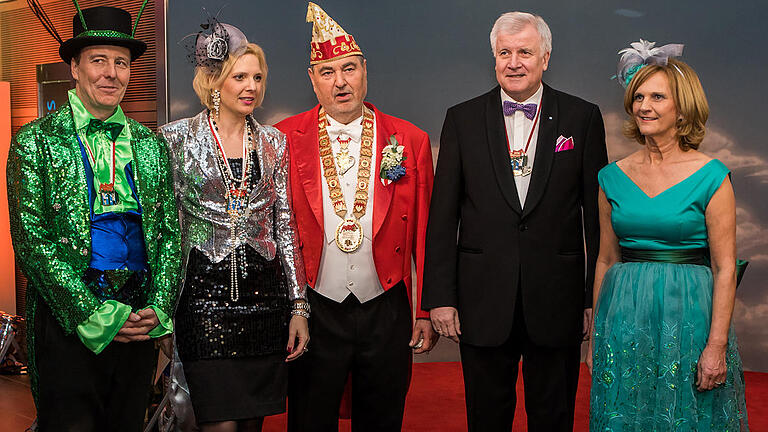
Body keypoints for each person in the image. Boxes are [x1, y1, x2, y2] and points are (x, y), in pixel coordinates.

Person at [422, 11, 608, 432]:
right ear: (493, 58)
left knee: (553, 418)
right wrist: (440, 296)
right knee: (486, 419)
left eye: (525, 51)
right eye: (504, 52)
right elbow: (443, 214)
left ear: (546, 57)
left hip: (558, 303)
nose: (514, 62)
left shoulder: (582, 117)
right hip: (481, 300)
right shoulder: (462, 118)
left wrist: (592, 300)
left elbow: (597, 221)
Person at [6, 4, 181, 430]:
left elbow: (169, 233)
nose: (111, 73)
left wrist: (159, 306)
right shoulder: (34, 142)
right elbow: (31, 239)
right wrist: (92, 313)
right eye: (98, 60)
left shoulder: (151, 143)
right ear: (75, 68)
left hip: (138, 323)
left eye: (120, 62)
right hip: (69, 322)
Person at [274, 3, 437, 431]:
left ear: (365, 70)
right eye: (327, 71)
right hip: (313, 304)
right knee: (310, 418)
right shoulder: (284, 138)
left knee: (382, 418)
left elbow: (424, 234)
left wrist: (424, 311)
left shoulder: (411, 140)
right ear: (312, 79)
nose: (340, 81)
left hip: (386, 302)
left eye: (349, 68)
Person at [588, 40, 749, 431]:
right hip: (624, 317)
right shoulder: (611, 177)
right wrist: (595, 337)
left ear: (683, 108)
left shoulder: (712, 176)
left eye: (658, 96)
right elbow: (606, 259)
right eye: (638, 96)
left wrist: (716, 346)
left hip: (690, 317)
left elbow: (725, 267)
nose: (644, 106)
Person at [158, 19, 309, 432]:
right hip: (202, 303)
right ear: (213, 82)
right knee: (218, 425)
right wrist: (162, 310)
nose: (251, 87)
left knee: (249, 425)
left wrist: (298, 307)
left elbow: (285, 226)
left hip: (265, 304)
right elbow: (164, 233)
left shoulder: (274, 142)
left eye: (258, 78)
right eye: (239, 76)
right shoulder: (175, 139)